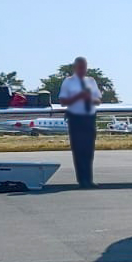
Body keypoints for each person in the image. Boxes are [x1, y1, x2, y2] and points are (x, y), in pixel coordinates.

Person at [58, 56, 101, 188]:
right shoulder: (68, 82)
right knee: (78, 149)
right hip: (76, 118)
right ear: (75, 67)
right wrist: (78, 97)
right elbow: (63, 101)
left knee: (89, 150)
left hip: (89, 118)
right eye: (80, 67)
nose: (83, 70)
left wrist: (89, 98)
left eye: (85, 67)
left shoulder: (91, 81)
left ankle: (89, 179)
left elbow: (98, 100)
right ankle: (82, 180)